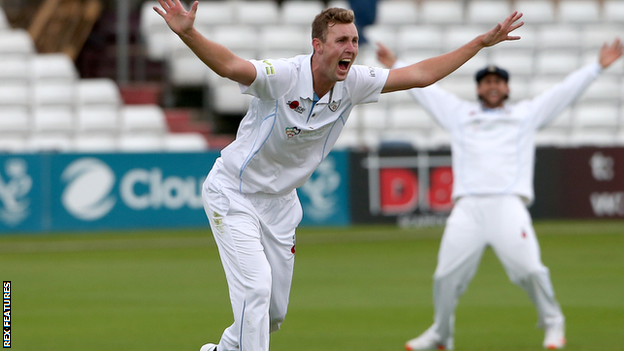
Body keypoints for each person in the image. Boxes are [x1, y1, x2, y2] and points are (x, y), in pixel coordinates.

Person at [153, 1, 523, 350]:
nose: (351, 48)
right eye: (342, 41)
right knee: (256, 292)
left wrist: (479, 43)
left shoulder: (355, 82)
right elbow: (231, 66)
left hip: (281, 204)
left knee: (272, 315)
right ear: (318, 45)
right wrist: (188, 33)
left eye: (355, 41)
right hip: (234, 193)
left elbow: (421, 75)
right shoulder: (284, 76)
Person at [376, 39, 623, 350]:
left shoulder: (526, 114)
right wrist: (395, 65)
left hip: (508, 204)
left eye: (498, 82)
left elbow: (563, 93)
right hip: (467, 207)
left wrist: (597, 67)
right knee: (445, 277)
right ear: (479, 89)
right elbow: (428, 92)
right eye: (487, 83)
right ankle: (441, 332)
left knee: (530, 269)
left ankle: (552, 322)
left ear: (507, 88)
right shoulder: (459, 113)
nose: (492, 87)